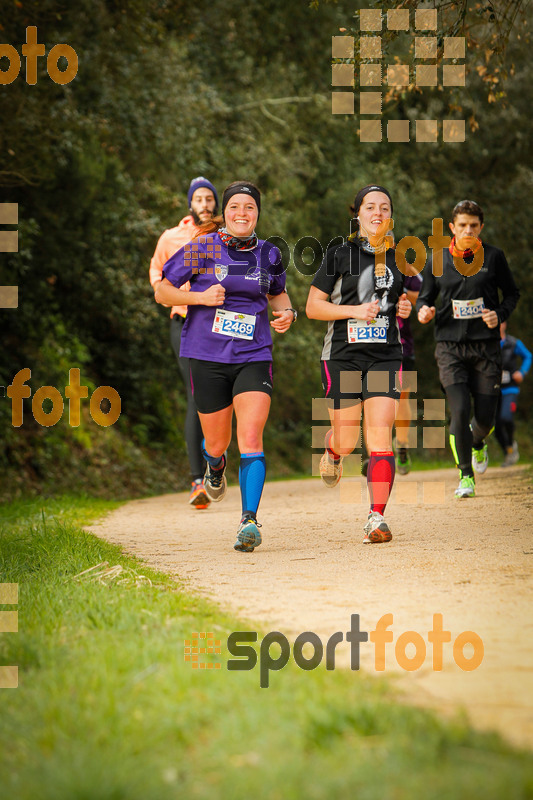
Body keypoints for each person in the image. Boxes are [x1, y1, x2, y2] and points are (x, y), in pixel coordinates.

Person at [155, 181, 296, 552]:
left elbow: (278, 293)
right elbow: (163, 291)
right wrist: (198, 297)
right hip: (206, 355)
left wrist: (287, 313)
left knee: (251, 438)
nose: (242, 214)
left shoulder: (269, 254)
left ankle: (249, 521)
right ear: (225, 211)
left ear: (258, 213)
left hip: (254, 354)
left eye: (249, 207)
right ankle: (214, 466)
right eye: (235, 207)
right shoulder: (201, 247)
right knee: (217, 443)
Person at [306, 185, 411, 544]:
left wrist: (406, 308)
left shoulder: (400, 260)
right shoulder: (338, 254)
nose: (377, 213)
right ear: (358, 214)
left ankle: (376, 516)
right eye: (370, 207)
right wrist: (353, 311)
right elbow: (313, 307)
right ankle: (333, 451)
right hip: (342, 357)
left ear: (390, 216)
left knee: (381, 436)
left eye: (384, 207)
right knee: (350, 440)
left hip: (385, 356)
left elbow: (406, 297)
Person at [417, 199, 520, 498]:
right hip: (449, 347)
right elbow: (425, 298)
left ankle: (478, 442)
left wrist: (498, 314)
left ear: (481, 228)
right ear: (452, 228)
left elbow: (512, 294)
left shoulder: (494, 257)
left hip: (486, 348)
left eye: (474, 226)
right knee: (460, 411)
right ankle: (466, 475)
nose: (468, 230)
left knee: (485, 419)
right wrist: (423, 311)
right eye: (462, 225)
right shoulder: (437, 260)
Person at [150, 177, 218, 510]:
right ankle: (197, 479)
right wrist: (180, 294)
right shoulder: (171, 237)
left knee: (218, 394)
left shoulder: (223, 235)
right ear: (190, 203)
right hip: (184, 323)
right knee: (195, 394)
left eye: (209, 199)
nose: (204, 204)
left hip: (219, 327)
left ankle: (215, 467)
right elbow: (157, 275)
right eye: (199, 199)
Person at [394, 265, 422, 474]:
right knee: (371, 400)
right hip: (368, 346)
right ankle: (376, 454)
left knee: (403, 396)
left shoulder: (405, 268)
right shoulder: (358, 263)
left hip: (403, 346)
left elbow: (423, 297)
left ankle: (402, 445)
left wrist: (399, 290)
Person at [495, 321, 531, 466]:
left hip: (510, 388)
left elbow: (528, 356)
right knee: (495, 427)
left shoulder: (513, 343)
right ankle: (508, 452)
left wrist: (522, 372)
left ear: (505, 324)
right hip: (493, 389)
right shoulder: (488, 343)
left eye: (500, 322)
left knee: (506, 418)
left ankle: (511, 444)